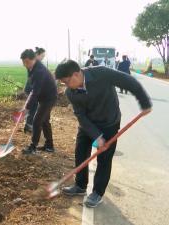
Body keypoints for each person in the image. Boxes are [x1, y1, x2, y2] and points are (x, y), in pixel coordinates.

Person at [55, 60, 152, 208]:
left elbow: (129, 82)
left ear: (76, 74)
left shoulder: (101, 73)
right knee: (80, 153)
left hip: (109, 123)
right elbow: (81, 116)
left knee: (104, 159)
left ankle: (97, 193)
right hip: (88, 124)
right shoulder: (71, 92)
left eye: (67, 81)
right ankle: (80, 185)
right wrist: (97, 136)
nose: (66, 86)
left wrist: (144, 102)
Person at [20, 49, 57, 154]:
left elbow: (35, 92)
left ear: (34, 59)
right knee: (44, 120)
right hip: (44, 95)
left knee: (37, 121)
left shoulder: (39, 71)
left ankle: (33, 147)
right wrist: (27, 105)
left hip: (48, 97)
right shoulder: (31, 67)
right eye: (23, 62)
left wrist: (26, 109)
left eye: (27, 62)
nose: (25, 64)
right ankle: (49, 146)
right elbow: (33, 86)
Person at [23, 47, 46, 134]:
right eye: (42, 56)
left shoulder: (36, 63)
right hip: (31, 88)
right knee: (33, 107)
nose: (43, 58)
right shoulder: (33, 63)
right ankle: (28, 126)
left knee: (33, 107)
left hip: (31, 88)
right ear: (38, 55)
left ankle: (28, 125)